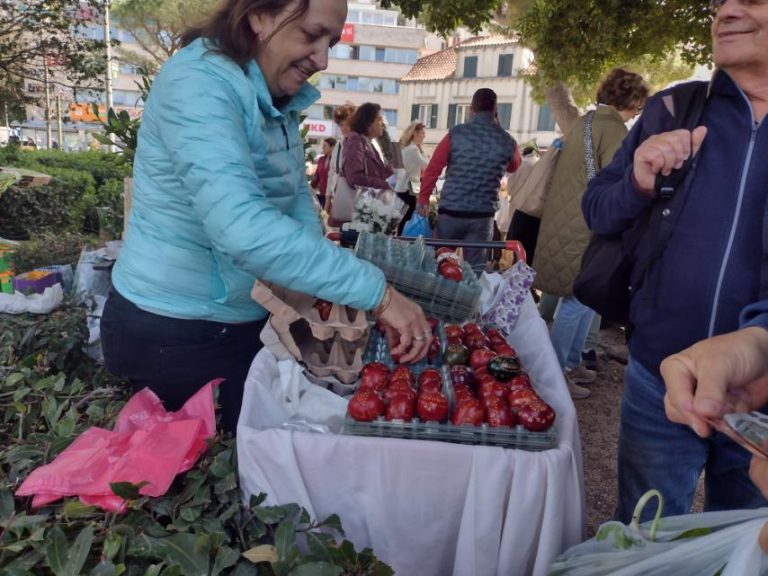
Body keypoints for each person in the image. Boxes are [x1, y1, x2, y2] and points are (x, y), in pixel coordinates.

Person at [99, 0, 432, 434]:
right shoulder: (200, 82)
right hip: (172, 330)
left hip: (234, 319)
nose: (323, 58)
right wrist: (379, 296)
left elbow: (294, 198)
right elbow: (241, 227)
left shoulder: (272, 97)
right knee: (242, 474)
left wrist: (328, 290)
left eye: (331, 41)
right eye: (311, 35)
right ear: (258, 16)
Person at [582, 0, 768, 522]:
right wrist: (638, 181)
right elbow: (596, 208)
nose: (726, 10)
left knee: (743, 547)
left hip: (762, 398)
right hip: (656, 376)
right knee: (642, 536)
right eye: (718, 1)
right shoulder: (673, 108)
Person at [534, 68, 648, 400]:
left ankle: (569, 363)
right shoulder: (614, 131)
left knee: (579, 301)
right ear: (630, 100)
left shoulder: (584, 123)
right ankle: (554, 373)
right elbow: (620, 183)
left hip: (565, 221)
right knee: (579, 302)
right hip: (587, 227)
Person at [660, 309, 768, 550]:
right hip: (655, 361)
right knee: (646, 523)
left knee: (739, 543)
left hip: (756, 407)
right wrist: (763, 338)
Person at [417, 88, 521, 275]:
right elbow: (514, 166)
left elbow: (433, 169)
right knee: (475, 273)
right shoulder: (507, 141)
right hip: (482, 217)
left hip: (450, 213)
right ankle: (468, 304)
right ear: (495, 110)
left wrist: (423, 199)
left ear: (471, 109)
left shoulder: (455, 134)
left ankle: (438, 302)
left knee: (440, 267)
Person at [342, 102, 393, 190]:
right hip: (359, 201)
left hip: (370, 201)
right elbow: (355, 178)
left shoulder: (371, 142)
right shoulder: (355, 141)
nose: (383, 124)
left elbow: (384, 171)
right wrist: (386, 185)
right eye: (379, 120)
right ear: (369, 123)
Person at [394, 121, 429, 235]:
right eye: (422, 133)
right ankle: (402, 240)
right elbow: (427, 166)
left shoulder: (409, 148)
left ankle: (400, 239)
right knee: (406, 218)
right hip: (408, 188)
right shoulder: (413, 149)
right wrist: (423, 151)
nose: (424, 136)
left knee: (404, 218)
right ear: (415, 133)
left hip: (406, 187)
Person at [325, 103, 355, 218]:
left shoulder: (362, 144)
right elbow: (332, 172)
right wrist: (328, 199)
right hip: (337, 198)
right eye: (341, 125)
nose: (344, 128)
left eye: (348, 124)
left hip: (355, 200)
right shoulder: (339, 145)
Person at [310, 136, 336, 207]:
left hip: (332, 195)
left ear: (332, 147)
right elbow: (317, 176)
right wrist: (310, 187)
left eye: (325, 146)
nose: (322, 148)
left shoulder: (336, 161)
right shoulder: (321, 160)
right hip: (321, 193)